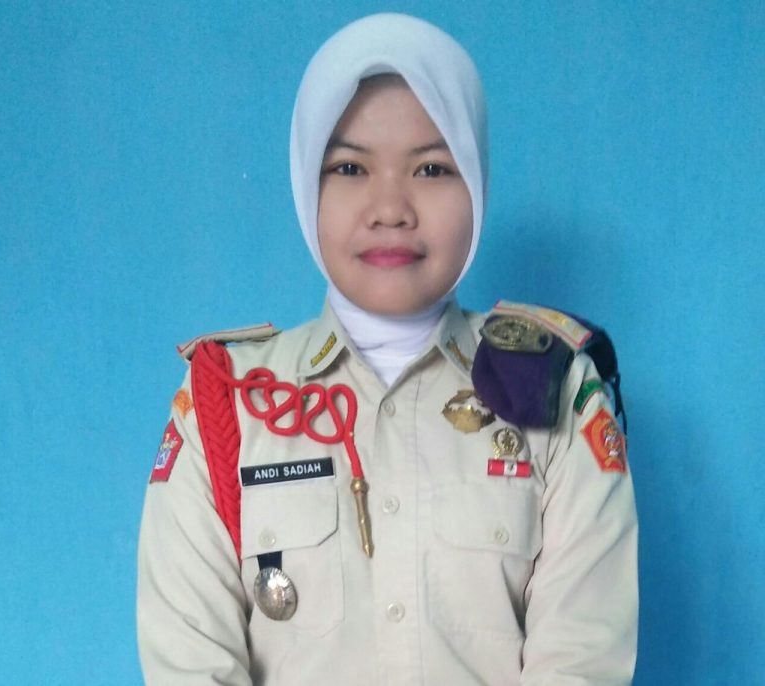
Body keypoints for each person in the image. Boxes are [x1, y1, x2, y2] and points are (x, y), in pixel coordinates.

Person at [137, 13, 638, 686]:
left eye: (432, 168)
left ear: (477, 184)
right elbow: (189, 663)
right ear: (307, 184)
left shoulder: (560, 391)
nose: (390, 208)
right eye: (349, 167)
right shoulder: (224, 403)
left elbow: (582, 659)